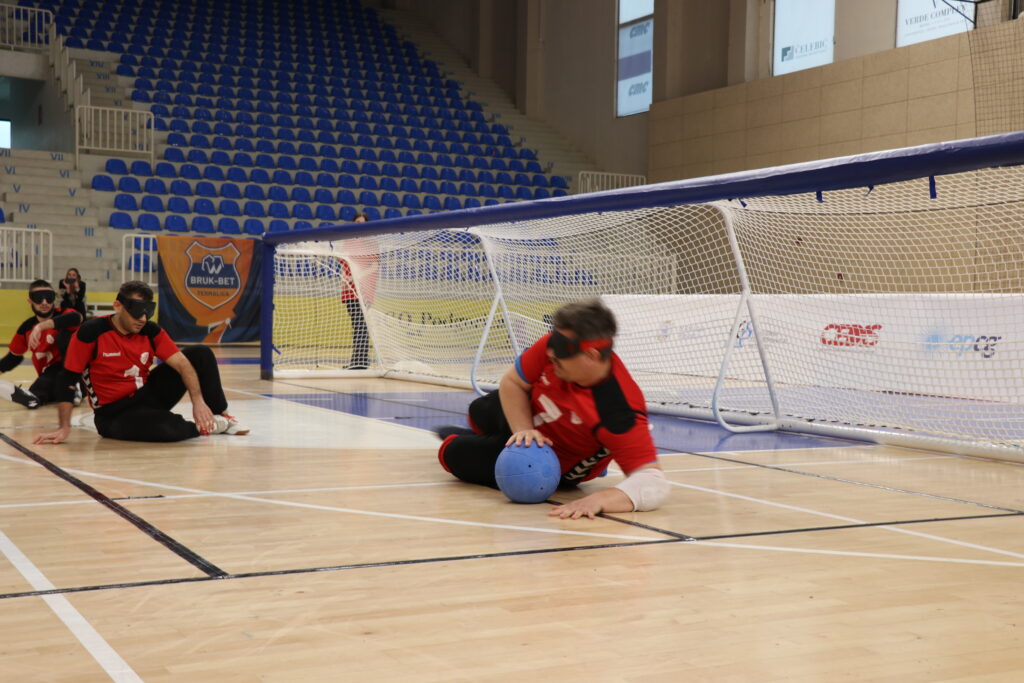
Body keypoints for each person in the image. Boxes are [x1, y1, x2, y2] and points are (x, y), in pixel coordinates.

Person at [436, 298, 670, 519]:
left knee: (451, 453)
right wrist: (523, 430)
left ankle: (484, 441)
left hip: (548, 459)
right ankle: (489, 437)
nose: (551, 352)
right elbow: (513, 382)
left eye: (560, 347)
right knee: (479, 409)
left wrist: (599, 500)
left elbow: (653, 482)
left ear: (591, 355)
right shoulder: (554, 349)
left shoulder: (618, 410)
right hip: (532, 421)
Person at [33, 280, 249, 444]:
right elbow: (67, 379)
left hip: (147, 395)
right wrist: (64, 428)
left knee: (200, 354)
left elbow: (183, 365)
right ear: (118, 306)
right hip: (113, 413)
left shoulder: (150, 331)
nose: (143, 318)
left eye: (147, 312)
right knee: (168, 430)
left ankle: (221, 414)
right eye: (136, 312)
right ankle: (207, 427)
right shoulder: (91, 333)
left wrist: (198, 401)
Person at [0, 280, 84, 409]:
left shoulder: (65, 314)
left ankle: (73, 385)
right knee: (40, 389)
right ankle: (38, 397)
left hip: (78, 372)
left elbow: (77, 317)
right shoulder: (26, 328)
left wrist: (41, 326)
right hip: (51, 374)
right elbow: (13, 357)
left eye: (49, 297)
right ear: (30, 301)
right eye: (38, 298)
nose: (44, 302)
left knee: (65, 336)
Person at [340, 212, 372, 370]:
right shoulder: (348, 242)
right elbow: (343, 264)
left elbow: (374, 266)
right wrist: (345, 278)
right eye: (357, 222)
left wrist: (357, 277)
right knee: (357, 326)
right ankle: (360, 361)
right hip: (349, 291)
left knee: (361, 326)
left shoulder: (370, 242)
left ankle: (360, 362)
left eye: (363, 223)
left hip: (364, 290)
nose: (360, 225)